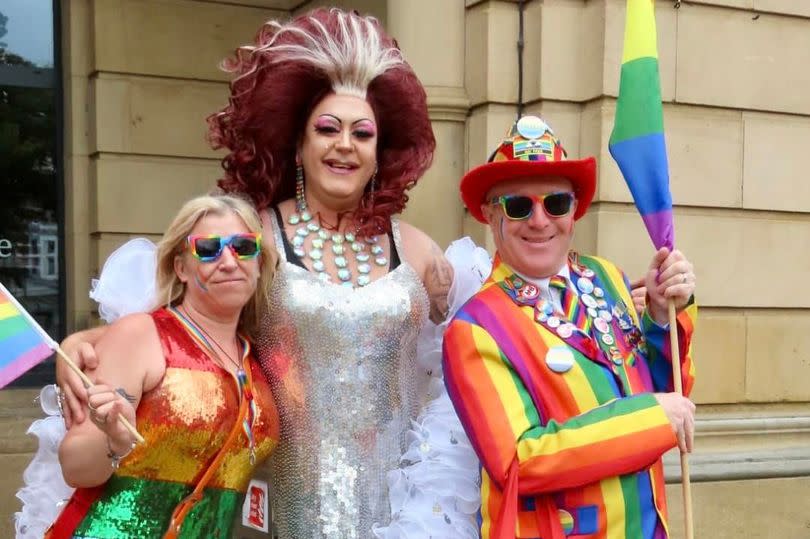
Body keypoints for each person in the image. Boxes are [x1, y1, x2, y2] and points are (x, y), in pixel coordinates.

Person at [54, 8, 481, 538]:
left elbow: (465, 348)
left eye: (362, 133)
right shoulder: (254, 235)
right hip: (288, 502)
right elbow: (182, 320)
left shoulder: (418, 250)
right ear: (298, 147)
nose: (344, 144)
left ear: (379, 153)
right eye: (327, 129)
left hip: (399, 505)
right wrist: (87, 342)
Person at [442, 115, 698, 539]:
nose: (540, 221)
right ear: (490, 215)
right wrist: (651, 419)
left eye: (556, 202)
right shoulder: (476, 327)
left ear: (575, 209)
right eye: (518, 206)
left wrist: (660, 313)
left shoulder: (607, 278)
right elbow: (520, 462)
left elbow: (669, 390)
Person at [44, 194, 280, 538]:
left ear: (259, 262)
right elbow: (75, 468)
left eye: (244, 246)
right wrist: (113, 441)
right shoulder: (141, 334)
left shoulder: (258, 354)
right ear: (181, 267)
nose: (229, 261)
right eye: (209, 248)